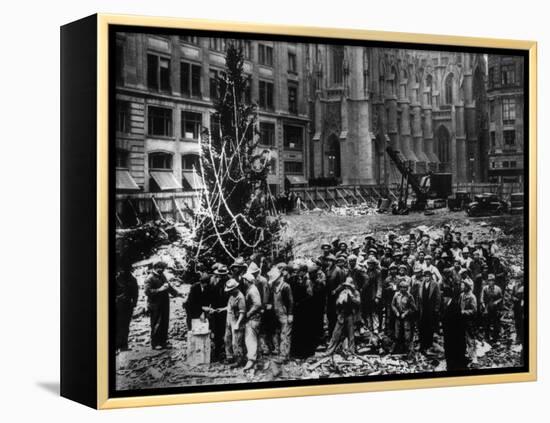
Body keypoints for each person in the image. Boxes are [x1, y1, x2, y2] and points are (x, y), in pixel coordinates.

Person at [144, 260, 183, 350]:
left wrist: (177, 293)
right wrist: (159, 289)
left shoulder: (162, 275)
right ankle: (155, 343)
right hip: (155, 304)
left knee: (165, 322)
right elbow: (147, 292)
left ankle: (163, 341)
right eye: (161, 268)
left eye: (163, 269)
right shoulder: (149, 278)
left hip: (164, 303)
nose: (162, 270)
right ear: (156, 268)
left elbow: (168, 286)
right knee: (156, 323)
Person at [325, 278, 361, 355]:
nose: (347, 288)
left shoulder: (355, 293)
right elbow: (337, 303)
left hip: (350, 315)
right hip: (342, 314)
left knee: (351, 335)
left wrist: (352, 298)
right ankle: (329, 351)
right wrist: (340, 301)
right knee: (336, 334)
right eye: (346, 286)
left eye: (348, 286)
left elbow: (358, 303)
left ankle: (351, 351)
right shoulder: (342, 292)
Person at [441, 279, 468, 371]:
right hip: (450, 336)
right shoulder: (449, 305)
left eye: (443, 297)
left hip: (454, 337)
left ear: (448, 297)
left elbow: (456, 324)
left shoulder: (454, 306)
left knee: (454, 354)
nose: (442, 299)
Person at [269, 267, 294, 362]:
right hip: (277, 313)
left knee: (285, 335)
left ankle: (284, 356)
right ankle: (278, 351)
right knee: (277, 333)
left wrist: (290, 314)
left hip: (285, 314)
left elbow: (291, 301)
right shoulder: (274, 287)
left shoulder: (286, 286)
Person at [290, 265, 316, 358]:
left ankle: (306, 352)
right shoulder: (298, 280)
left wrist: (301, 302)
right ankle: (298, 352)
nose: (298, 273)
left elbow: (310, 295)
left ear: (304, 271)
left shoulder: (307, 281)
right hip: (299, 309)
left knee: (305, 329)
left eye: (300, 271)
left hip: (305, 309)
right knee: (298, 329)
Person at [115, 259, 139, 352]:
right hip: (117, 305)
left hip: (127, 306)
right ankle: (116, 345)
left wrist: (134, 303)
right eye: (124, 269)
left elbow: (136, 293)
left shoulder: (133, 279)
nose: (125, 271)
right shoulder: (117, 279)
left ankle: (123, 345)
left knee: (125, 326)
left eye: (127, 269)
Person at [417, 269, 441, 354]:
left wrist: (436, 309)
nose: (427, 277)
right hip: (423, 309)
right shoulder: (421, 284)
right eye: (425, 276)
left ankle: (429, 344)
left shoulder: (435, 284)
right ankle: (422, 344)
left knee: (430, 327)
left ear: (431, 276)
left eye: (428, 276)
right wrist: (418, 308)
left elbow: (438, 298)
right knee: (422, 326)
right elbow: (418, 298)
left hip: (431, 309)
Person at [224, 278, 246, 367]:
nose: (229, 292)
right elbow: (229, 307)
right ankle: (230, 357)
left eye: (231, 290)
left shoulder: (240, 297)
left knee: (236, 342)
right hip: (229, 318)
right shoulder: (232, 296)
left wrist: (237, 324)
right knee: (227, 339)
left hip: (237, 320)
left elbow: (242, 312)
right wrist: (221, 309)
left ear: (235, 288)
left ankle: (238, 360)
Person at [242, 273, 262, 370]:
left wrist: (248, 313)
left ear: (247, 281)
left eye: (244, 280)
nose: (243, 281)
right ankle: (255, 360)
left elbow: (257, 304)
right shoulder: (251, 289)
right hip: (254, 318)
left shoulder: (252, 290)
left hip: (253, 318)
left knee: (250, 339)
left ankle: (251, 360)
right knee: (252, 339)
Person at [210, 264, 229, 362]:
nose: (221, 276)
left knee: (225, 331)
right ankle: (217, 351)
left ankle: (226, 351)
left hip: (226, 310)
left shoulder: (229, 282)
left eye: (223, 275)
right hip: (215, 309)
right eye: (220, 274)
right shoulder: (214, 280)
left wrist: (225, 308)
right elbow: (211, 294)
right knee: (216, 331)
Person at [391, 280, 417, 355]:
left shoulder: (409, 296)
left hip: (406, 318)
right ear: (400, 288)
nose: (403, 289)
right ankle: (397, 349)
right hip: (398, 317)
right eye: (402, 287)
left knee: (407, 335)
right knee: (397, 333)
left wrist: (406, 313)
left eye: (405, 288)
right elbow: (392, 305)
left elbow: (414, 308)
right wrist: (396, 312)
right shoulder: (396, 295)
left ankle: (408, 351)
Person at [325, 254, 345, 336]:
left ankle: (338, 333)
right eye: (328, 261)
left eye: (331, 261)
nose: (329, 262)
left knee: (336, 314)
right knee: (329, 314)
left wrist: (336, 290)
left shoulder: (338, 270)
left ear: (334, 262)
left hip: (336, 295)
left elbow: (342, 283)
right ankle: (331, 332)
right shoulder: (327, 270)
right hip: (329, 295)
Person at [460, 277, 478, 365]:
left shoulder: (472, 297)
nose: (462, 286)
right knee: (462, 338)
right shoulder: (461, 295)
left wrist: (464, 312)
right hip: (462, 320)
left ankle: (474, 357)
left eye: (463, 285)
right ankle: (466, 354)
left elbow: (474, 311)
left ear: (467, 287)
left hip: (469, 321)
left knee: (470, 339)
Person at [481, 274, 503, 343]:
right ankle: (487, 337)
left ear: (494, 281)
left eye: (492, 281)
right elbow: (481, 298)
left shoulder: (498, 289)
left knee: (495, 323)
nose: (490, 282)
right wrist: (483, 305)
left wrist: (497, 302)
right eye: (489, 281)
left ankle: (495, 338)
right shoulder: (485, 288)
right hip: (487, 307)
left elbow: (501, 298)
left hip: (495, 308)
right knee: (487, 323)